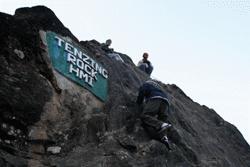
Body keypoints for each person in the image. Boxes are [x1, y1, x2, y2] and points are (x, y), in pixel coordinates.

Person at [136, 79, 172, 149]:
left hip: (155, 98)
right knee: (162, 120)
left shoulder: (147, 84)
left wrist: (138, 103)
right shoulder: (159, 89)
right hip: (166, 102)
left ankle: (161, 124)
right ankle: (164, 137)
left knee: (145, 116)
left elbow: (142, 91)